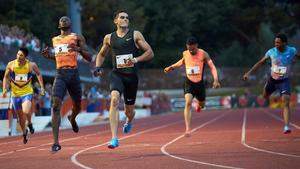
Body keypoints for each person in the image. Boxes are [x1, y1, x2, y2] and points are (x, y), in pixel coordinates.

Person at [94, 10, 154, 149]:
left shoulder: (135, 35)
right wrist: (98, 67)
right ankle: (114, 138)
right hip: (117, 75)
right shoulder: (109, 38)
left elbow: (150, 52)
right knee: (114, 100)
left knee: (129, 111)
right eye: (122, 17)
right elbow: (101, 54)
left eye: (127, 17)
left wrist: (136, 59)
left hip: (131, 77)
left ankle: (128, 121)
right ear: (116, 21)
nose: (125, 19)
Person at [41, 16, 92, 152]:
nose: (63, 19)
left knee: (77, 106)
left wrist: (79, 49)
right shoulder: (55, 40)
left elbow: (89, 57)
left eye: (66, 18)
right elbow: (58, 57)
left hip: (74, 74)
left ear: (69, 24)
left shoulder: (77, 37)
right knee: (56, 105)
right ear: (59, 25)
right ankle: (56, 142)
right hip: (60, 74)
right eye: (61, 19)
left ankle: (72, 118)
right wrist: (48, 56)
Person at [243, 33, 300, 134]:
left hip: (284, 80)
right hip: (272, 80)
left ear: (284, 43)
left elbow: (298, 57)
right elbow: (260, 63)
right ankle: (267, 89)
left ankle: (286, 126)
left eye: (278, 42)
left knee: (286, 101)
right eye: (275, 42)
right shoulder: (271, 52)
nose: (276, 44)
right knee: (265, 96)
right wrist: (249, 72)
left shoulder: (292, 51)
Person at [164, 36, 221, 137]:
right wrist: (171, 67)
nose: (191, 51)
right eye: (189, 49)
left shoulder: (203, 54)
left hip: (199, 84)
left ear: (196, 46)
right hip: (189, 82)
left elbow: (212, 67)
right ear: (187, 46)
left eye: (193, 49)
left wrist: (215, 80)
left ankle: (199, 105)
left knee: (202, 104)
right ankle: (188, 128)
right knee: (188, 102)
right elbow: (181, 62)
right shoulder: (185, 53)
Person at [2, 47, 45, 144]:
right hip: (15, 94)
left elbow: (38, 74)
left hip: (27, 92)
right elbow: (5, 77)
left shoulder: (31, 65)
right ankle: (24, 133)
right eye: (17, 54)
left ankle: (29, 123)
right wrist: (5, 88)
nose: (18, 56)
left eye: (21, 55)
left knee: (26, 111)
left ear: (25, 56)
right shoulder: (11, 64)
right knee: (20, 116)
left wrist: (42, 88)